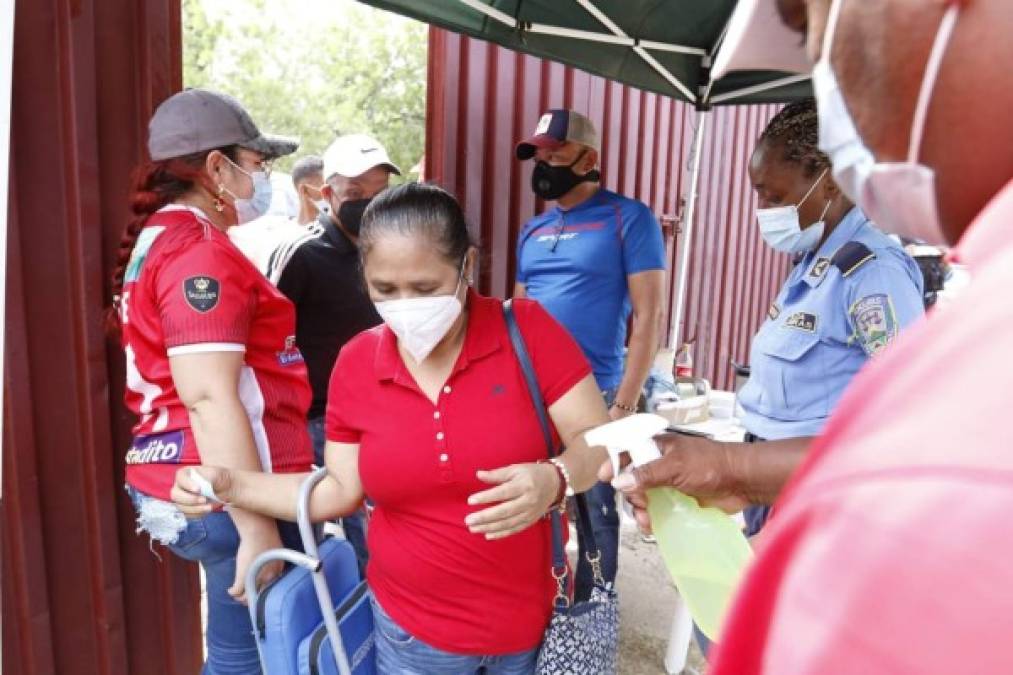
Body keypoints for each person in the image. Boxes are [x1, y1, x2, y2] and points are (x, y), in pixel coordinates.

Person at [621, 0, 1013, 671]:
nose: (764, 213)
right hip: (772, 481)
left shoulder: (872, 272)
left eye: (774, 196)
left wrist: (744, 472)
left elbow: (904, 424)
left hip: (820, 491)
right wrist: (734, 468)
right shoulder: (810, 266)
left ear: (823, 180)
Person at [172, 182, 611, 674]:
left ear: (466, 266)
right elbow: (339, 491)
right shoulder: (358, 361)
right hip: (410, 635)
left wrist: (556, 478)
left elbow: (598, 443)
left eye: (425, 288)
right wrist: (233, 485)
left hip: (533, 629)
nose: (407, 305)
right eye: (385, 289)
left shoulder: (527, 332)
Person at [109, 88, 313, 673]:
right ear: (218, 168)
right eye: (257, 164)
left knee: (235, 646)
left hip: (182, 476)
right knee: (263, 653)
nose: (262, 179)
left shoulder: (157, 240)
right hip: (224, 488)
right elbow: (208, 395)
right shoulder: (200, 254)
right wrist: (256, 527)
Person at [514, 108, 667, 601]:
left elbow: (648, 318)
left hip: (595, 392)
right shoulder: (532, 231)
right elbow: (518, 314)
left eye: (556, 152)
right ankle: (542, 600)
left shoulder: (628, 217)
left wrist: (624, 404)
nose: (545, 162)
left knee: (595, 509)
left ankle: (594, 609)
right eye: (539, 153)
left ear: (589, 158)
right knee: (535, 500)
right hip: (529, 390)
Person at [275, 134, 399, 574]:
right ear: (327, 194)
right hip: (323, 421)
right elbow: (268, 339)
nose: (369, 204)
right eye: (355, 193)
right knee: (351, 534)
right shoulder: (303, 254)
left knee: (385, 530)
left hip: (388, 411)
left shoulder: (393, 249)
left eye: (379, 193)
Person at [228, 155, 327, 284]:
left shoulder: (333, 233)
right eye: (323, 190)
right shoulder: (284, 245)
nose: (329, 194)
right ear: (304, 190)